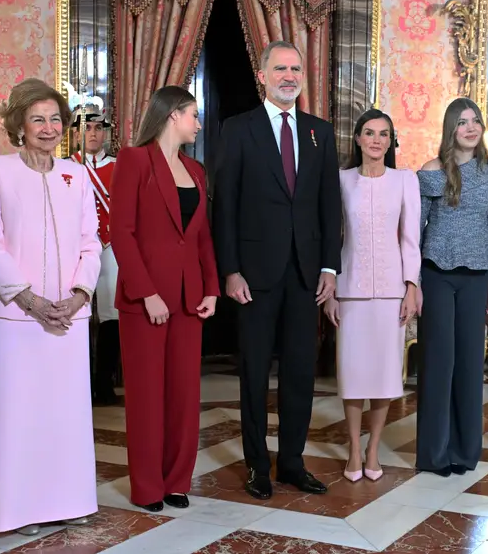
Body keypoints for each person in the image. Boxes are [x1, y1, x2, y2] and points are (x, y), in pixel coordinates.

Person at [213, 40, 342, 499]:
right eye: (280, 69)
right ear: (263, 75)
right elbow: (224, 206)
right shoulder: (237, 129)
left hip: (306, 274)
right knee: (253, 373)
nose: (289, 76)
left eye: (296, 69)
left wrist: (330, 267)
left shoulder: (319, 132)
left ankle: (291, 462)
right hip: (254, 275)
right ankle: (256, 466)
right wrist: (230, 269)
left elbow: (329, 204)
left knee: (300, 373)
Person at [0, 78, 102, 534]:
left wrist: (79, 296)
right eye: (37, 119)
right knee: (18, 414)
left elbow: (91, 242)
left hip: (68, 316)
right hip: (15, 316)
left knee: (66, 413)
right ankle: (17, 511)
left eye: (54, 119)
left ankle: (68, 501)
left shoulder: (76, 174)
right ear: (19, 125)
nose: (48, 128)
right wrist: (28, 299)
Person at [112, 85, 219, 511]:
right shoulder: (134, 160)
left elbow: (202, 237)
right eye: (193, 114)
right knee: (146, 397)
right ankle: (147, 488)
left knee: (183, 396)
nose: (198, 123)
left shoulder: (196, 170)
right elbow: (121, 233)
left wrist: (211, 288)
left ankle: (176, 482)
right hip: (145, 300)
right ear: (173, 114)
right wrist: (147, 293)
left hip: (190, 299)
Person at [322, 109, 420, 482]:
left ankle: (373, 449)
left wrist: (411, 286)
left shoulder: (404, 180)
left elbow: (410, 239)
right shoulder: (340, 180)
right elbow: (331, 238)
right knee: (352, 375)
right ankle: (352, 449)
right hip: (350, 291)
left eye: (383, 134)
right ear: (358, 139)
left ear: (390, 141)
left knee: (383, 375)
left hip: (392, 294)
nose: (376, 140)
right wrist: (330, 290)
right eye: (369, 132)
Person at [415, 97, 488, 477]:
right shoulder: (431, 170)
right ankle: (433, 454)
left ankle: (465, 452)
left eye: (476, 121)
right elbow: (414, 230)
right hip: (436, 274)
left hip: (477, 277)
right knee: (438, 364)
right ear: (451, 128)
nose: (471, 128)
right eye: (463, 122)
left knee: (469, 366)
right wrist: (414, 282)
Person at [69, 100, 121, 405]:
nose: (92, 133)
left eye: (98, 128)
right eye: (86, 128)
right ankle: (78, 380)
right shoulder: (66, 166)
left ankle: (104, 382)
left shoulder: (119, 165)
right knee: (77, 311)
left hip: (112, 245)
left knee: (112, 314)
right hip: (77, 246)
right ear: (76, 133)